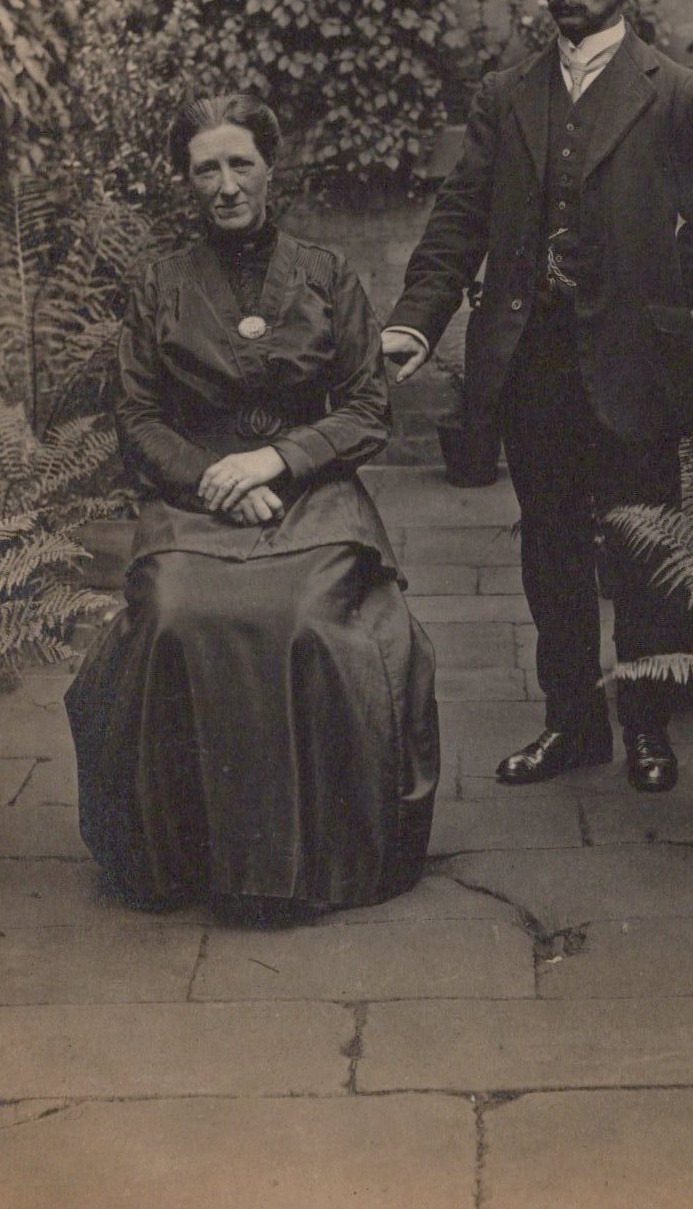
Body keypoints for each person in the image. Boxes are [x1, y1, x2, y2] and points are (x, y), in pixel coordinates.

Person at [382, 0, 693, 794]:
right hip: (530, 364)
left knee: (642, 552)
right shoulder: (506, 94)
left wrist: (645, 294)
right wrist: (414, 318)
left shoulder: (678, 94)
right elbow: (460, 216)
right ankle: (571, 725)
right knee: (548, 547)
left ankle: (647, 723)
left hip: (636, 363)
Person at [65, 93, 439, 918]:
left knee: (307, 620)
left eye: (241, 164)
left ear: (271, 169)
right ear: (186, 182)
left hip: (311, 494)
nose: (226, 185)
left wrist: (279, 457)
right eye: (208, 169)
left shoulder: (327, 275)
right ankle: (185, 861)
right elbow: (136, 416)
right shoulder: (157, 283)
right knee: (169, 615)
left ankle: (308, 864)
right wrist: (212, 479)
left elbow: (368, 408)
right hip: (193, 492)